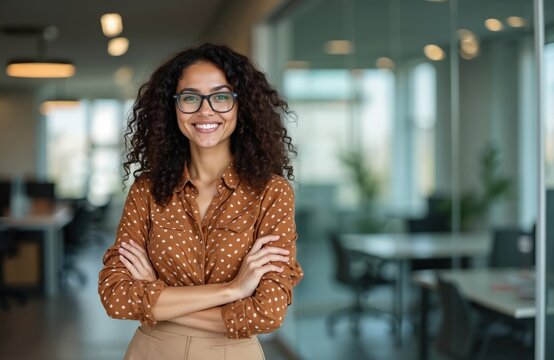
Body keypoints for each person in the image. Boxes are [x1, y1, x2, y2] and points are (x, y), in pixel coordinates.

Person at [98, 43, 303, 360]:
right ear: (173, 107)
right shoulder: (146, 190)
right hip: (151, 351)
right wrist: (232, 290)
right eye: (190, 97)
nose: (205, 110)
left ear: (241, 106)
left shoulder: (271, 193)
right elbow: (116, 297)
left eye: (221, 96)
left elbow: (266, 314)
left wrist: (157, 295)